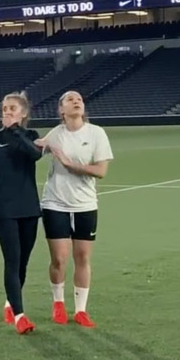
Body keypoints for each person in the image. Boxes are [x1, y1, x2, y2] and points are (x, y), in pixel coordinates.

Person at [36, 90, 114, 327]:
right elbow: (34, 149)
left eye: (79, 99)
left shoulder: (96, 133)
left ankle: (81, 310)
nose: (76, 101)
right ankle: (58, 303)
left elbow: (101, 171)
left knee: (82, 257)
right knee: (59, 258)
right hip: (55, 203)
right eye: (70, 99)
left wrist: (70, 164)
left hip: (85, 204)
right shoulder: (55, 135)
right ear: (61, 110)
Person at [0, 90, 45, 335]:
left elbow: (34, 154)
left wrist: (15, 130)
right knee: (12, 260)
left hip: (29, 208)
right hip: (4, 211)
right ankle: (20, 316)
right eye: (4, 109)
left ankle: (10, 302)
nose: (7, 113)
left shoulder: (31, 136)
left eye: (12, 109)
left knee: (23, 262)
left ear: (23, 113)